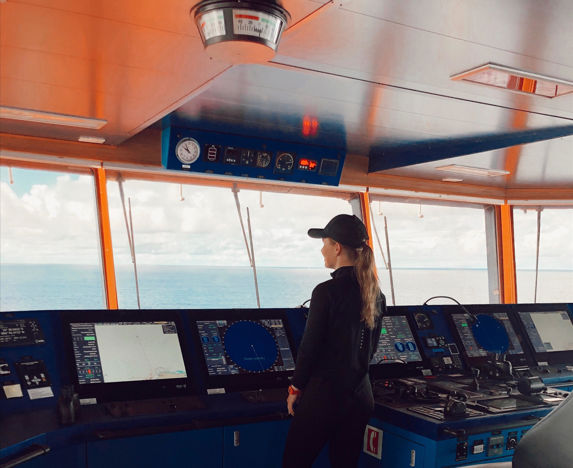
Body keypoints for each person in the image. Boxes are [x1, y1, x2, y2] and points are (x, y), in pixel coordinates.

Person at [282, 214, 386, 468]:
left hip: (324, 398)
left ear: (337, 247)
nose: (322, 249)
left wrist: (295, 388)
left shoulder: (326, 292)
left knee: (294, 463)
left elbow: (310, 347)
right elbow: (369, 349)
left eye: (325, 243)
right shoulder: (376, 293)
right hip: (360, 397)